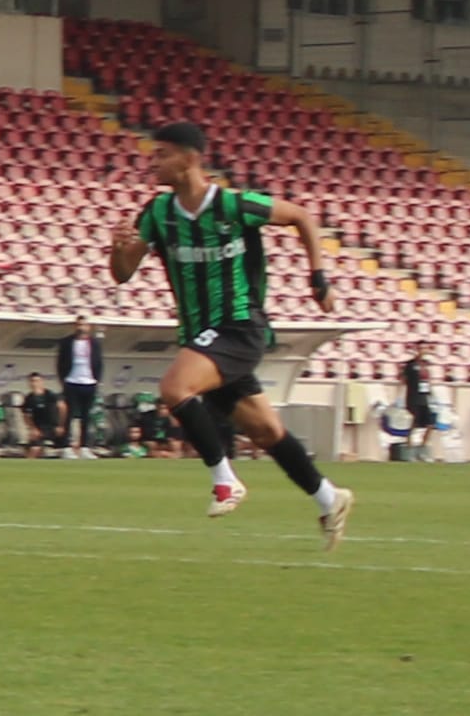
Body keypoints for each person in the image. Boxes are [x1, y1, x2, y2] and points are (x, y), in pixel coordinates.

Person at [110, 121, 353, 549]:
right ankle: (329, 498)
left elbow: (300, 216)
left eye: (162, 154)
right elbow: (123, 274)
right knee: (266, 432)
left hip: (240, 326)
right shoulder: (157, 213)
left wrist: (318, 277)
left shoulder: (234, 205)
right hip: (202, 336)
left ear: (190, 158)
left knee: (175, 387)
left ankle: (225, 480)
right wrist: (118, 248)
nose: (152, 163)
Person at [56, 315, 103, 459]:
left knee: (86, 416)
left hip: (89, 382)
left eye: (83, 325)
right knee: (70, 415)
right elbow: (60, 363)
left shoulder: (94, 343)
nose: (81, 328)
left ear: (88, 327)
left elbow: (99, 363)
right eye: (78, 325)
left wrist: (97, 380)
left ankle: (84, 447)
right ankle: (66, 447)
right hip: (72, 381)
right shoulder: (67, 342)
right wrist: (63, 380)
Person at [402, 346, 437, 462]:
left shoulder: (425, 365)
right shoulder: (410, 365)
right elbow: (403, 379)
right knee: (412, 424)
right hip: (413, 398)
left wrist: (431, 394)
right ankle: (409, 451)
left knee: (430, 424)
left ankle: (422, 449)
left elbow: (427, 381)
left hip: (425, 398)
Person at [21, 373, 62, 459]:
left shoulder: (50, 395)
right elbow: (26, 415)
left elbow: (63, 407)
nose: (34, 383)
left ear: (42, 382)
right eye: (32, 381)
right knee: (34, 448)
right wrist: (32, 428)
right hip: (39, 428)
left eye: (37, 381)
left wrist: (60, 425)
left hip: (53, 427)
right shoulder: (29, 398)